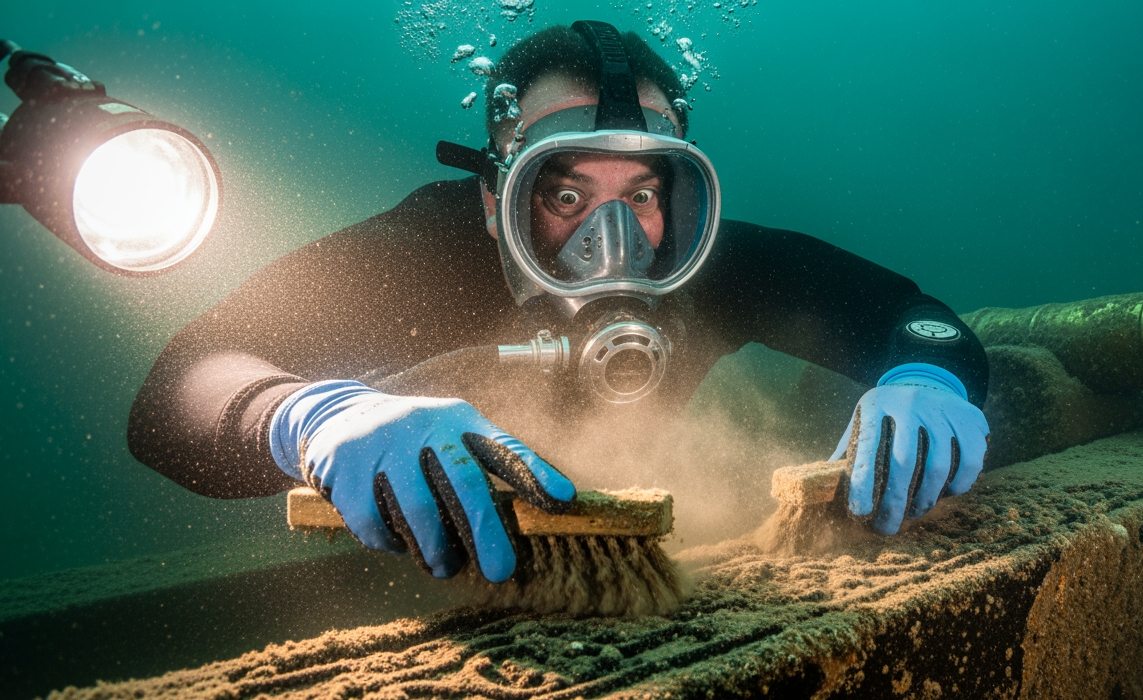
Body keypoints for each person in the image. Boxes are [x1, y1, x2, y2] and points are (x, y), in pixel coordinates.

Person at [128, 21, 990, 584]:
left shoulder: (707, 262)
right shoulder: (424, 257)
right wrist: (305, 416)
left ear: (682, 195)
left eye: (645, 193)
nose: (612, 247)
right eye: (565, 197)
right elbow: (175, 392)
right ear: (491, 200)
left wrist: (928, 379)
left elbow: (910, 316)